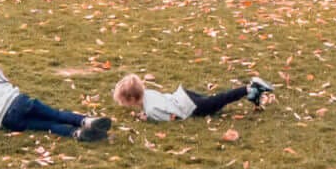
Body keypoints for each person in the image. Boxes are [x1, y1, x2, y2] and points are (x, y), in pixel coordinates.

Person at [0, 40, 112, 140]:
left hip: (9, 120)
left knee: (47, 126)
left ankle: (77, 133)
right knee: (56, 114)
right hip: (21, 102)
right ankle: (87, 121)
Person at [112, 72, 275, 122]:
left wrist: (148, 118)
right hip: (184, 95)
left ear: (132, 99)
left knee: (219, 100)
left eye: (124, 102)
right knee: (214, 99)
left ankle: (250, 88)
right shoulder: (149, 94)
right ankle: (253, 95)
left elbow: (172, 117)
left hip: (190, 107)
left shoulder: (151, 109)